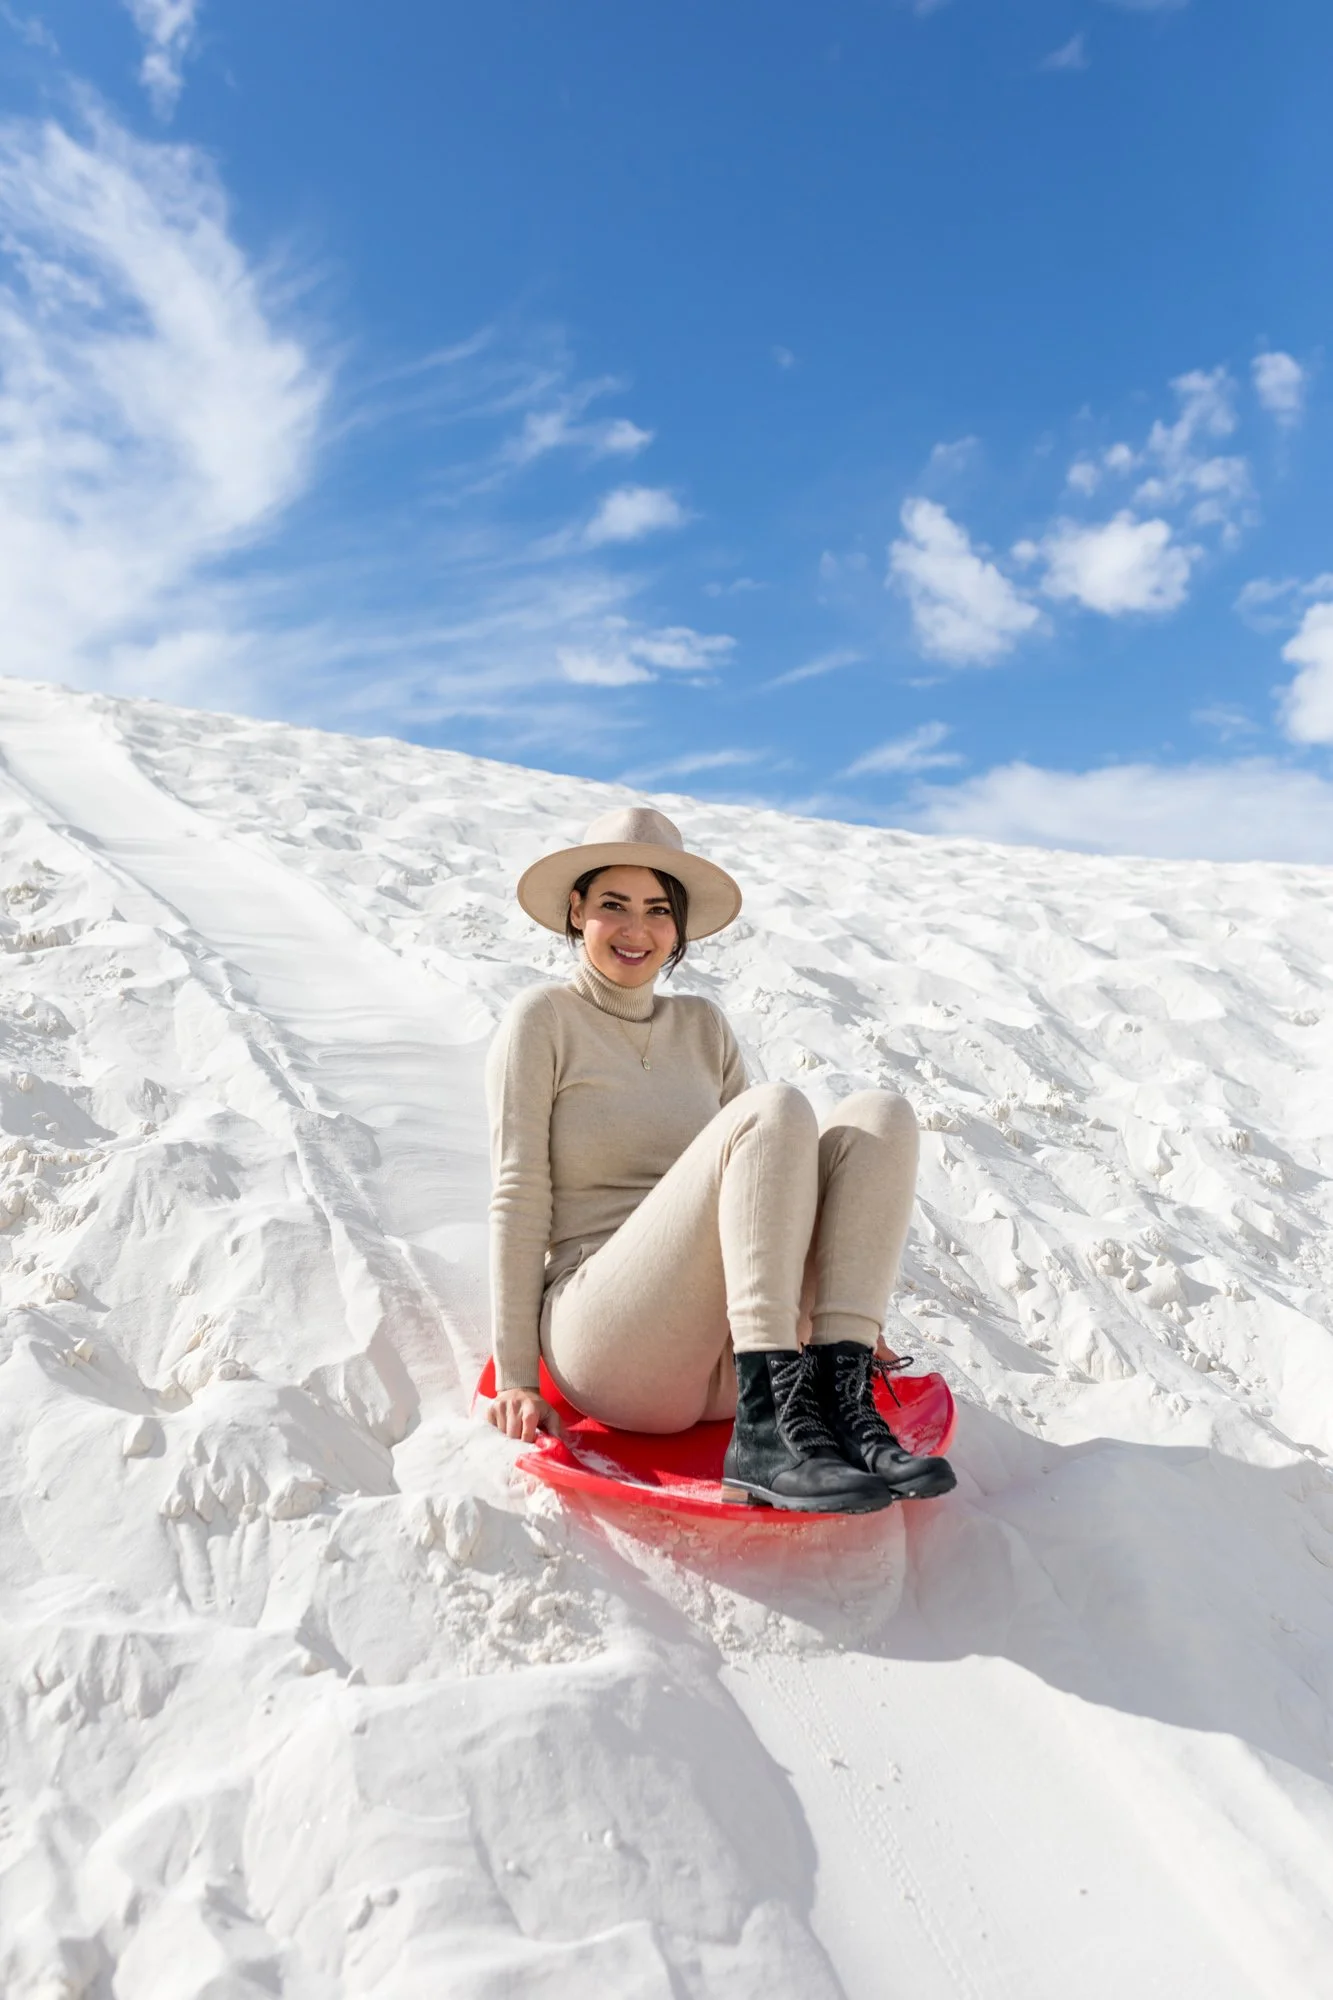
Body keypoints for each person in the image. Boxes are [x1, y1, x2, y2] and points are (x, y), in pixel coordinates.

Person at [483, 805, 956, 1514]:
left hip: (726, 1357)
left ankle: (837, 1399)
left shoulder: (702, 1027)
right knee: (774, 1106)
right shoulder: (544, 1018)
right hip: (612, 1339)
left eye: (656, 910)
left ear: (677, 926)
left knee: (877, 1116)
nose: (637, 930)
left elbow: (770, 1181)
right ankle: (768, 1440)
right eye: (613, 905)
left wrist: (849, 1318)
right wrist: (516, 1376)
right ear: (577, 909)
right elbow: (518, 1195)